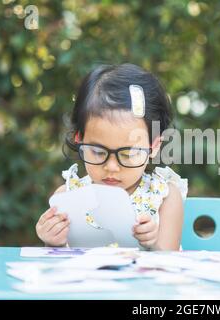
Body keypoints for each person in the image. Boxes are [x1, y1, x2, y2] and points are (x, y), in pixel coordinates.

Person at [36, 63, 187, 250]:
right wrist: (52, 242)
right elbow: (59, 268)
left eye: (128, 154)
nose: (112, 167)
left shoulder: (164, 197)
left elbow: (170, 264)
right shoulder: (69, 197)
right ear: (79, 139)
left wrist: (154, 243)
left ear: (154, 146)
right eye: (98, 152)